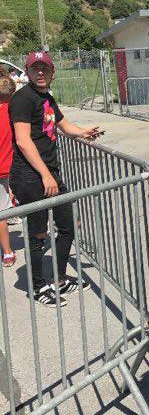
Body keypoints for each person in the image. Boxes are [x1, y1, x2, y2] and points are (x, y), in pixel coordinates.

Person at [10, 51, 103, 307]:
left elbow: (63, 125)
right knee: (38, 234)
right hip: (31, 176)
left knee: (68, 225)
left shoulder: (47, 98)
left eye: (45, 68)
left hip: (49, 173)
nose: (40, 72)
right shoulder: (23, 99)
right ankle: (38, 287)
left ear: (53, 72)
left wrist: (84, 133)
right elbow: (22, 140)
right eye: (35, 68)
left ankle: (60, 279)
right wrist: (45, 174)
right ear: (27, 72)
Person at [0, 76, 16, 267]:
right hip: (11, 166)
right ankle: (8, 253)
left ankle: (7, 252)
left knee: (2, 211)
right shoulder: (13, 112)